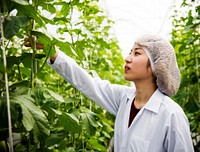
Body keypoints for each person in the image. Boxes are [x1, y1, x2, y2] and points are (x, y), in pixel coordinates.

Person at [25, 34, 194, 152]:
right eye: (129, 52)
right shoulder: (124, 99)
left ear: (157, 65)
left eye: (136, 53)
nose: (127, 58)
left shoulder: (171, 115)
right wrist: (54, 53)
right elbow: (88, 84)